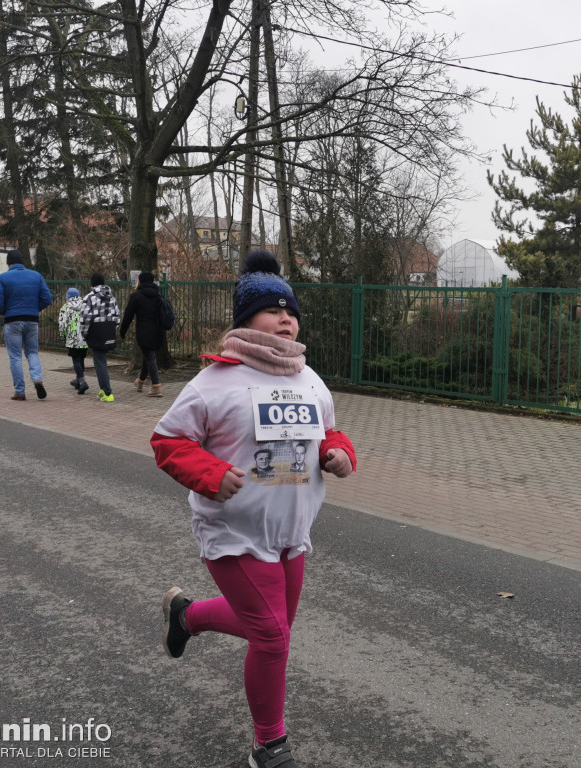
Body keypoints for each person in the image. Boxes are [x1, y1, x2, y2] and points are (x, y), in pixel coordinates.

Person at [151, 249, 356, 768]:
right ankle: (269, 743)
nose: (286, 318)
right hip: (234, 532)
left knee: (271, 627)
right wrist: (211, 474)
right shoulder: (214, 383)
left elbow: (328, 430)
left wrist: (340, 453)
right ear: (246, 320)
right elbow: (169, 441)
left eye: (291, 311)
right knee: (271, 636)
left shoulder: (309, 379)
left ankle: (188, 616)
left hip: (291, 530)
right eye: (272, 309)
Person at [0, 249, 52, 401]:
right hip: (32, 320)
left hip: (12, 321)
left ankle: (20, 391)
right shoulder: (36, 276)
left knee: (15, 357)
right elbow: (47, 298)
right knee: (32, 352)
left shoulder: (2, 278)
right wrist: (34, 309)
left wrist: (6, 312)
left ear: (8, 263)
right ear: (22, 262)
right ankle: (37, 379)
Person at [119, 271, 164, 397]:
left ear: (141, 281)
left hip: (144, 331)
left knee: (149, 357)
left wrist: (123, 331)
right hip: (158, 331)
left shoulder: (136, 296)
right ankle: (140, 382)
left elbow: (128, 315)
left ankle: (156, 387)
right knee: (148, 355)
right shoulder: (158, 294)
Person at [80, 273, 121, 403]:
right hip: (109, 331)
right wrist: (111, 329)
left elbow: (85, 319)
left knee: (99, 362)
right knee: (102, 359)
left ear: (92, 285)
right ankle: (103, 391)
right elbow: (118, 317)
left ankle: (107, 392)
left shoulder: (89, 298)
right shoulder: (112, 297)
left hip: (95, 331)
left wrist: (84, 334)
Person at [58, 288, 90, 395]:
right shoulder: (86, 305)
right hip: (85, 338)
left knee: (76, 360)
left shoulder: (65, 307)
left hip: (73, 338)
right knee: (81, 359)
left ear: (68, 296)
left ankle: (82, 382)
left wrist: (63, 337)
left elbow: (62, 325)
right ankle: (77, 381)